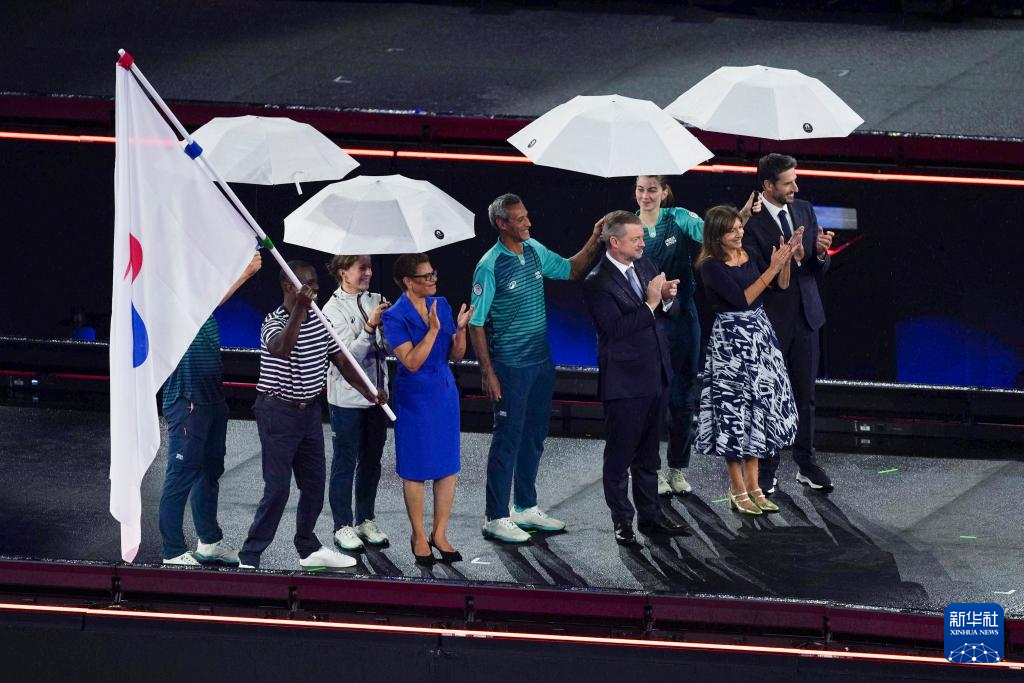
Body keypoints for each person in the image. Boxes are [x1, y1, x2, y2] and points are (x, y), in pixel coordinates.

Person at [469, 193, 603, 543]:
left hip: (541, 362)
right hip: (510, 367)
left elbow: (572, 269)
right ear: (502, 224)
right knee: (507, 440)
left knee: (533, 437)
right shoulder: (490, 265)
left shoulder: (533, 250)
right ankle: (495, 517)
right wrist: (487, 372)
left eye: (527, 216)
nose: (528, 223)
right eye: (520, 219)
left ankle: (525, 507)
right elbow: (476, 323)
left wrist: (595, 238)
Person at [238, 261, 385, 570]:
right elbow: (282, 348)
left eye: (315, 283)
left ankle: (308, 548)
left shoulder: (320, 321)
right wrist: (300, 310)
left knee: (315, 486)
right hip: (277, 412)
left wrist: (368, 391)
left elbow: (342, 361)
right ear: (288, 287)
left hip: (309, 414)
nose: (315, 289)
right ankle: (250, 556)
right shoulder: (273, 321)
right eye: (308, 284)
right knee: (277, 490)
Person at [634, 176, 760, 496]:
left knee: (683, 394)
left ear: (665, 192)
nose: (645, 195)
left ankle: (677, 468)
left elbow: (714, 234)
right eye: (640, 189)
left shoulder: (678, 217)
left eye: (652, 189)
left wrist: (743, 215)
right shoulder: (628, 227)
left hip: (683, 319)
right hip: (649, 320)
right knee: (653, 396)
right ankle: (652, 470)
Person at [583, 211, 689, 545]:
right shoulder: (597, 281)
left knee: (648, 457)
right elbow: (615, 330)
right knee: (619, 458)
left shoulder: (646, 265)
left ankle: (651, 517)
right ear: (615, 242)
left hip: (655, 375)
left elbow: (668, 311)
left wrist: (667, 298)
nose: (643, 243)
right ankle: (622, 522)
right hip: (624, 382)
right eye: (636, 239)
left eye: (642, 237)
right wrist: (651, 303)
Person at [159, 252, 262, 565]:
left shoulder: (201, 310)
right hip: (187, 402)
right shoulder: (170, 306)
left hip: (214, 402)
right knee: (180, 475)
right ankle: (172, 551)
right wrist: (246, 272)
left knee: (209, 474)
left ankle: (209, 543)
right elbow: (206, 302)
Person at [695, 206, 799, 515]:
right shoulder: (710, 267)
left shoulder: (749, 254)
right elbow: (743, 299)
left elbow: (781, 285)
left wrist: (785, 261)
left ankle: (755, 488)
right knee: (733, 413)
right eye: (732, 230)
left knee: (757, 410)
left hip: (760, 336)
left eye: (740, 227)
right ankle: (737, 489)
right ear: (717, 236)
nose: (740, 233)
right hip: (731, 342)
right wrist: (773, 268)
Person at [742, 154, 834, 493]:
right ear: (768, 185)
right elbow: (752, 275)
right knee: (770, 396)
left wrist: (818, 253)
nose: (795, 187)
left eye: (795, 180)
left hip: (807, 318)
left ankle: (806, 463)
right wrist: (785, 261)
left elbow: (816, 269)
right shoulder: (749, 224)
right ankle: (767, 467)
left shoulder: (804, 210)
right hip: (772, 322)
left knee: (805, 395)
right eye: (787, 183)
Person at [381, 254, 473, 565]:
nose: (434, 280)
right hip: (415, 398)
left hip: (443, 393)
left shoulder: (441, 304)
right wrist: (433, 331)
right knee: (416, 468)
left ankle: (440, 533)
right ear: (409, 281)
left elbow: (456, 355)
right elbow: (411, 362)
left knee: (447, 467)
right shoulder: (395, 316)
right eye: (426, 276)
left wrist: (461, 331)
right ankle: (419, 535)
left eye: (434, 273)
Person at [323, 255, 391, 552]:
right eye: (361, 268)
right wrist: (370, 326)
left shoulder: (378, 299)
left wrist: (388, 330)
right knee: (345, 462)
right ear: (343, 272)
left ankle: (365, 519)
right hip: (347, 400)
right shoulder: (332, 309)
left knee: (372, 462)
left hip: (378, 398)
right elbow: (347, 358)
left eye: (370, 267)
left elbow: (390, 348)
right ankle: (342, 525)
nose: (369, 273)